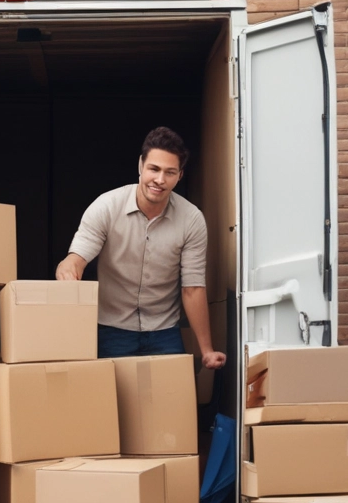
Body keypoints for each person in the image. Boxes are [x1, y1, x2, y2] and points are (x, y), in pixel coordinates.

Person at [56, 126, 227, 370]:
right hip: (111, 330)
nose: (160, 180)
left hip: (164, 330)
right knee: (109, 395)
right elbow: (76, 259)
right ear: (140, 165)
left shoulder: (191, 219)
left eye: (170, 172)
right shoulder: (106, 207)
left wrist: (207, 351)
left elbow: (193, 288)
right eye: (154, 169)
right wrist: (68, 270)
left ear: (180, 175)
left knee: (173, 394)